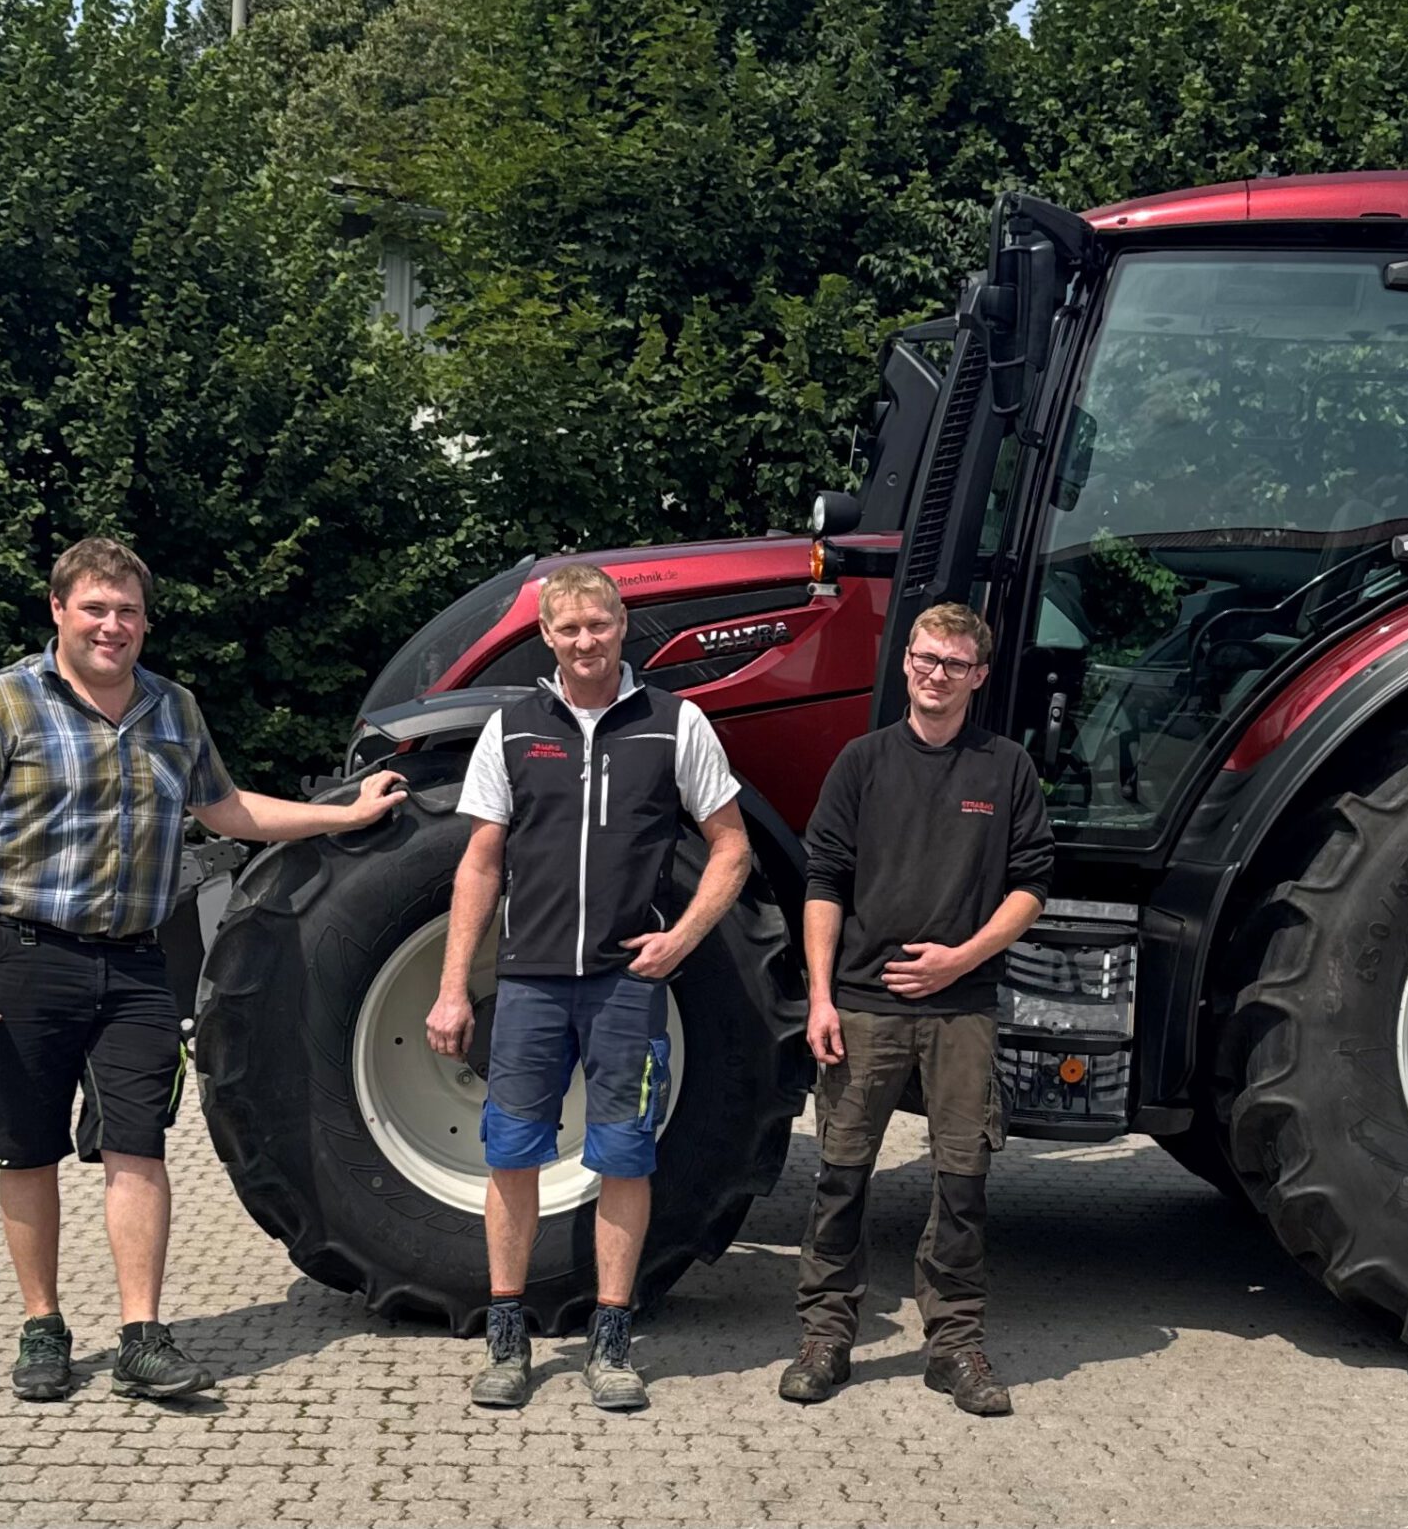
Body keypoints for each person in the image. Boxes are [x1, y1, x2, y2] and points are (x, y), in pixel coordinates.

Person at [0, 537, 406, 1404]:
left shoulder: (173, 708)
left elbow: (229, 808)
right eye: (95, 608)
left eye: (129, 611)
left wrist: (341, 817)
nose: (113, 625)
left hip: (139, 963)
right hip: (23, 955)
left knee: (138, 1141)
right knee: (25, 1147)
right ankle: (43, 1325)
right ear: (58, 609)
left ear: (145, 620)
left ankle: (142, 1336)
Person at [425, 561, 751, 1413]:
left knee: (624, 1158)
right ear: (546, 636)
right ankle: (507, 1340)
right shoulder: (512, 727)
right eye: (567, 628)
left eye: (597, 624)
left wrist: (683, 936)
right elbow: (480, 863)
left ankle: (612, 1341)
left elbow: (732, 845)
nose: (584, 641)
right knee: (511, 1154)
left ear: (621, 624)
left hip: (624, 987)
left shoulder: (675, 724)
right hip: (529, 983)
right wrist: (453, 986)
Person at [779, 602, 1053, 1417]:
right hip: (863, 1004)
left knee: (963, 1181)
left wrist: (962, 958)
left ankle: (955, 1344)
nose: (938, 673)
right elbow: (824, 882)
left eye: (955, 663)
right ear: (905, 662)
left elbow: (1031, 885)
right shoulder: (861, 764)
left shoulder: (1006, 768)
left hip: (963, 1007)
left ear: (979, 675)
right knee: (841, 1175)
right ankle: (826, 1336)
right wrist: (820, 997)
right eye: (927, 658)